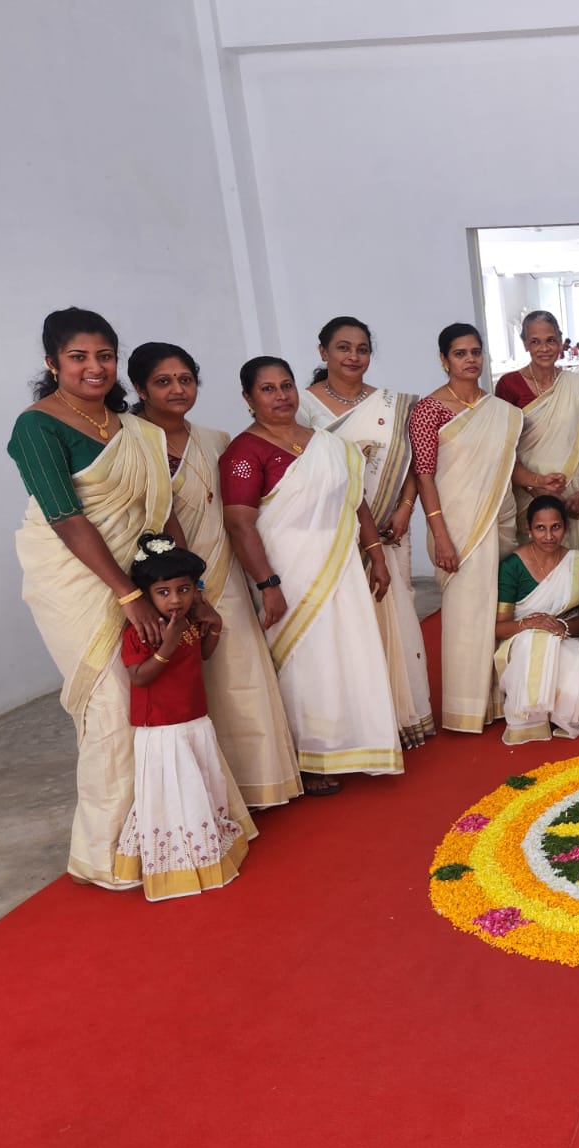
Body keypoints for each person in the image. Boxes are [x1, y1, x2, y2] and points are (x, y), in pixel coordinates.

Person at [9, 307, 192, 887]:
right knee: (110, 703)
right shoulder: (36, 426)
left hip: (139, 575)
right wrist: (126, 594)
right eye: (78, 357)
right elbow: (65, 516)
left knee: (153, 698)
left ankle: (164, 834)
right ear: (52, 362)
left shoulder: (133, 428)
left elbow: (158, 511)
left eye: (105, 356)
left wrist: (183, 585)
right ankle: (108, 851)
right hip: (77, 581)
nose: (94, 367)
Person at [128, 342, 301, 809]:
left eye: (186, 380)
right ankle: (207, 796)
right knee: (184, 683)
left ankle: (261, 784)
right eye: (164, 382)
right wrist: (189, 592)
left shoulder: (216, 440)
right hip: (170, 588)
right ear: (140, 388)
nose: (178, 389)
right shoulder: (132, 442)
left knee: (244, 674)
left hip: (226, 572)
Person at [219, 356, 403, 787]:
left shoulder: (327, 444)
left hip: (341, 567)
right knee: (304, 661)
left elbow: (356, 501)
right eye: (267, 389)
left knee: (347, 653)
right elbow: (239, 524)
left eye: (286, 386)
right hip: (287, 571)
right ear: (248, 397)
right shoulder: (244, 453)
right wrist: (268, 584)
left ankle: (351, 743)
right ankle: (310, 757)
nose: (281, 396)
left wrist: (376, 555)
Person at [298, 316, 433, 749]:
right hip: (330, 535)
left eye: (362, 349)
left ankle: (398, 715)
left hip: (389, 529)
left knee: (394, 616)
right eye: (343, 348)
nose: (353, 357)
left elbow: (412, 464)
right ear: (323, 352)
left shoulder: (393, 405)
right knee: (345, 629)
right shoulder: (301, 406)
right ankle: (360, 723)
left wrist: (405, 509)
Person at [116, 533, 256, 900]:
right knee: (176, 791)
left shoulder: (189, 620)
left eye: (184, 589)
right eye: (163, 592)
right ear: (147, 595)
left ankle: (205, 848)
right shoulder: (142, 631)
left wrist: (214, 623)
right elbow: (139, 677)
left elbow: (205, 654)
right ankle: (178, 861)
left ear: (196, 589)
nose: (175, 599)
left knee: (200, 784)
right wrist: (168, 643)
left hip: (194, 719)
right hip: (163, 729)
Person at [409, 323, 522, 733]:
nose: (470, 360)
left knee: (498, 607)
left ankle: (499, 698)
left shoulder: (500, 412)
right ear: (444, 360)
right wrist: (440, 535)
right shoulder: (428, 410)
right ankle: (464, 708)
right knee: (464, 615)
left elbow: (508, 470)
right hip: (456, 526)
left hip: (498, 518)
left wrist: (538, 482)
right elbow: (424, 477)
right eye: (460, 353)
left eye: (476, 352)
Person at [493, 496, 579, 744]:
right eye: (540, 528)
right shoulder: (512, 566)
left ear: (565, 528)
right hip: (520, 642)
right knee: (533, 642)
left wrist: (561, 627)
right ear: (528, 529)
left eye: (555, 527)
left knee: (567, 654)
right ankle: (536, 716)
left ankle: (558, 711)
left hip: (566, 637)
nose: (548, 536)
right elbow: (499, 628)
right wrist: (530, 624)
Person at [494, 310, 579, 551]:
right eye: (535, 342)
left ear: (560, 341)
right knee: (537, 562)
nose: (544, 348)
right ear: (525, 344)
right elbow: (504, 449)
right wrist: (537, 490)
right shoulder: (509, 385)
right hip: (528, 492)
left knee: (578, 563)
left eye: (550, 340)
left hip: (574, 492)